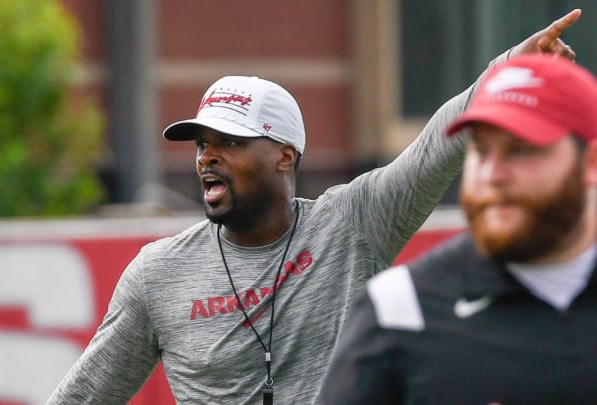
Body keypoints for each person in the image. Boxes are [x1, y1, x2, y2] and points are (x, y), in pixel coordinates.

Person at [47, 10, 581, 405]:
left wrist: (510, 70)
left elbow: (434, 147)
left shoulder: (353, 223)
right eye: (201, 144)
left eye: (229, 143)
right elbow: (85, 395)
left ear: (284, 156)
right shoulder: (157, 275)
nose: (208, 156)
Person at [319, 46, 597, 404]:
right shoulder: (400, 310)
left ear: (590, 164)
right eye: (481, 150)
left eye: (521, 150)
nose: (492, 175)